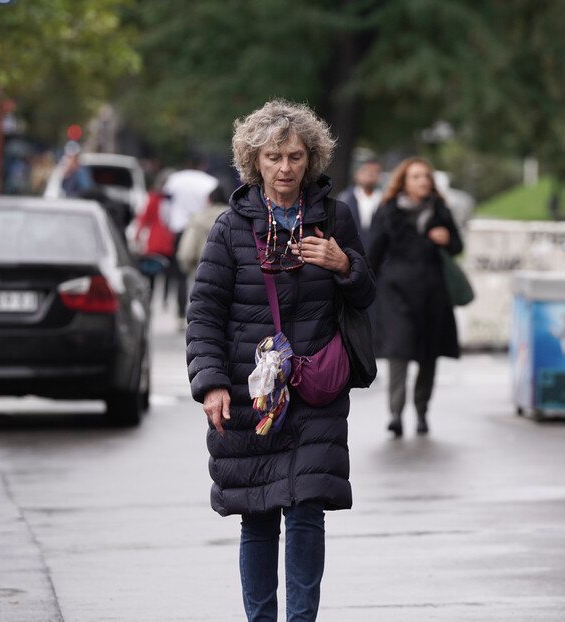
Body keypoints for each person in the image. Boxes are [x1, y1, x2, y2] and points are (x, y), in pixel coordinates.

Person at [185, 99, 374, 622]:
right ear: (255, 162)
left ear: (310, 159)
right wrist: (212, 384)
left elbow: (365, 295)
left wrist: (344, 264)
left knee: (308, 510)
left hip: (315, 388)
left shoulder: (335, 219)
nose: (285, 168)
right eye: (273, 158)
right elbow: (203, 312)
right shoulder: (229, 228)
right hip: (254, 394)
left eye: (293, 157)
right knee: (260, 515)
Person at [367, 157, 464, 438]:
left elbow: (457, 246)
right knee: (399, 352)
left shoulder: (440, 210)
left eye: (426, 177)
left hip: (433, 293)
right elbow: (373, 253)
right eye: (416, 177)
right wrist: (358, 287)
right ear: (404, 182)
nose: (423, 181)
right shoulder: (388, 210)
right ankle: (396, 414)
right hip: (396, 291)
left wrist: (447, 239)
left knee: (428, 355)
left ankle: (421, 411)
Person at [162, 158, 219, 324]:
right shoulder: (210, 181)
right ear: (203, 165)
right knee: (204, 273)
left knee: (179, 274)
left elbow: (165, 205)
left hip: (179, 228)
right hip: (203, 229)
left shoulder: (174, 179)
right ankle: (202, 312)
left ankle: (180, 313)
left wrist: (169, 222)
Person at [132, 168, 177, 294]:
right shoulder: (161, 199)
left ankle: (157, 298)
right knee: (160, 272)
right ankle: (162, 298)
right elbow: (144, 218)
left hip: (159, 241)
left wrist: (136, 236)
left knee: (156, 273)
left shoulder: (156, 198)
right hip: (162, 241)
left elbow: (143, 218)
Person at [176, 183, 228, 289]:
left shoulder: (198, 219)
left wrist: (189, 269)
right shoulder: (233, 218)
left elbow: (187, 252)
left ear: (209, 200)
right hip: (227, 275)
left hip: (202, 273)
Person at [336, 159, 382, 242]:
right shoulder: (344, 199)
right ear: (356, 174)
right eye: (366, 170)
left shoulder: (384, 201)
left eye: (376, 171)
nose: (371, 174)